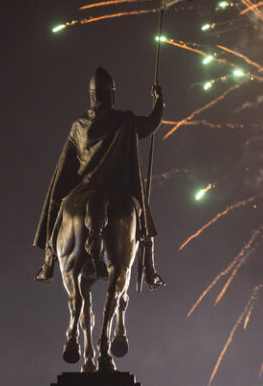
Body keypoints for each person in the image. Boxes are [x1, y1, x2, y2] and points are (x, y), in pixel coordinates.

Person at [33, 67, 165, 288]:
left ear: (92, 95)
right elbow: (151, 124)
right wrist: (160, 101)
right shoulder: (125, 121)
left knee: (59, 208)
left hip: (84, 188)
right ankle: (149, 269)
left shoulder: (79, 125)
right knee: (142, 219)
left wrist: (61, 195)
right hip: (118, 188)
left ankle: (49, 260)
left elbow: (65, 167)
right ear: (111, 94)